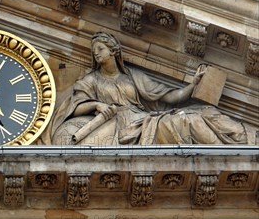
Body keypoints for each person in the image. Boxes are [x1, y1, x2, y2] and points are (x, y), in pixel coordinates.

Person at [42, 32, 254, 145]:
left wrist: (193, 84)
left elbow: (171, 97)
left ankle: (242, 142)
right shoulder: (92, 80)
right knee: (183, 121)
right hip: (122, 127)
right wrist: (97, 104)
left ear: (113, 51)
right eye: (94, 50)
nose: (96, 53)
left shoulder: (133, 76)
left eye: (100, 49)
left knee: (207, 113)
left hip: (143, 120)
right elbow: (73, 107)